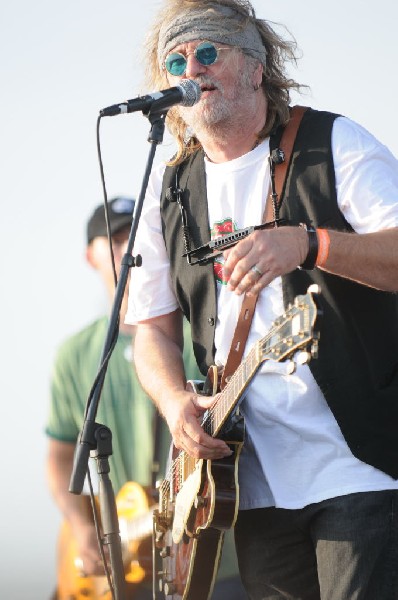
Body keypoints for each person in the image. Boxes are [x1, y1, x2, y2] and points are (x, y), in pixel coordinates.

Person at [125, 1, 398, 599]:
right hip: (248, 482)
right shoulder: (169, 190)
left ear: (255, 66)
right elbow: (150, 330)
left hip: (359, 465)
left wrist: (311, 243)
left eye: (207, 53)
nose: (190, 69)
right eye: (176, 60)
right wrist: (175, 404)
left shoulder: (333, 143)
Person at [45, 196, 244, 599]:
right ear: (90, 256)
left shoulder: (203, 336)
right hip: (126, 569)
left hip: (211, 556)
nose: (127, 249)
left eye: (135, 237)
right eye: (114, 239)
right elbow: (60, 455)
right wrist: (82, 528)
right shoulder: (75, 354)